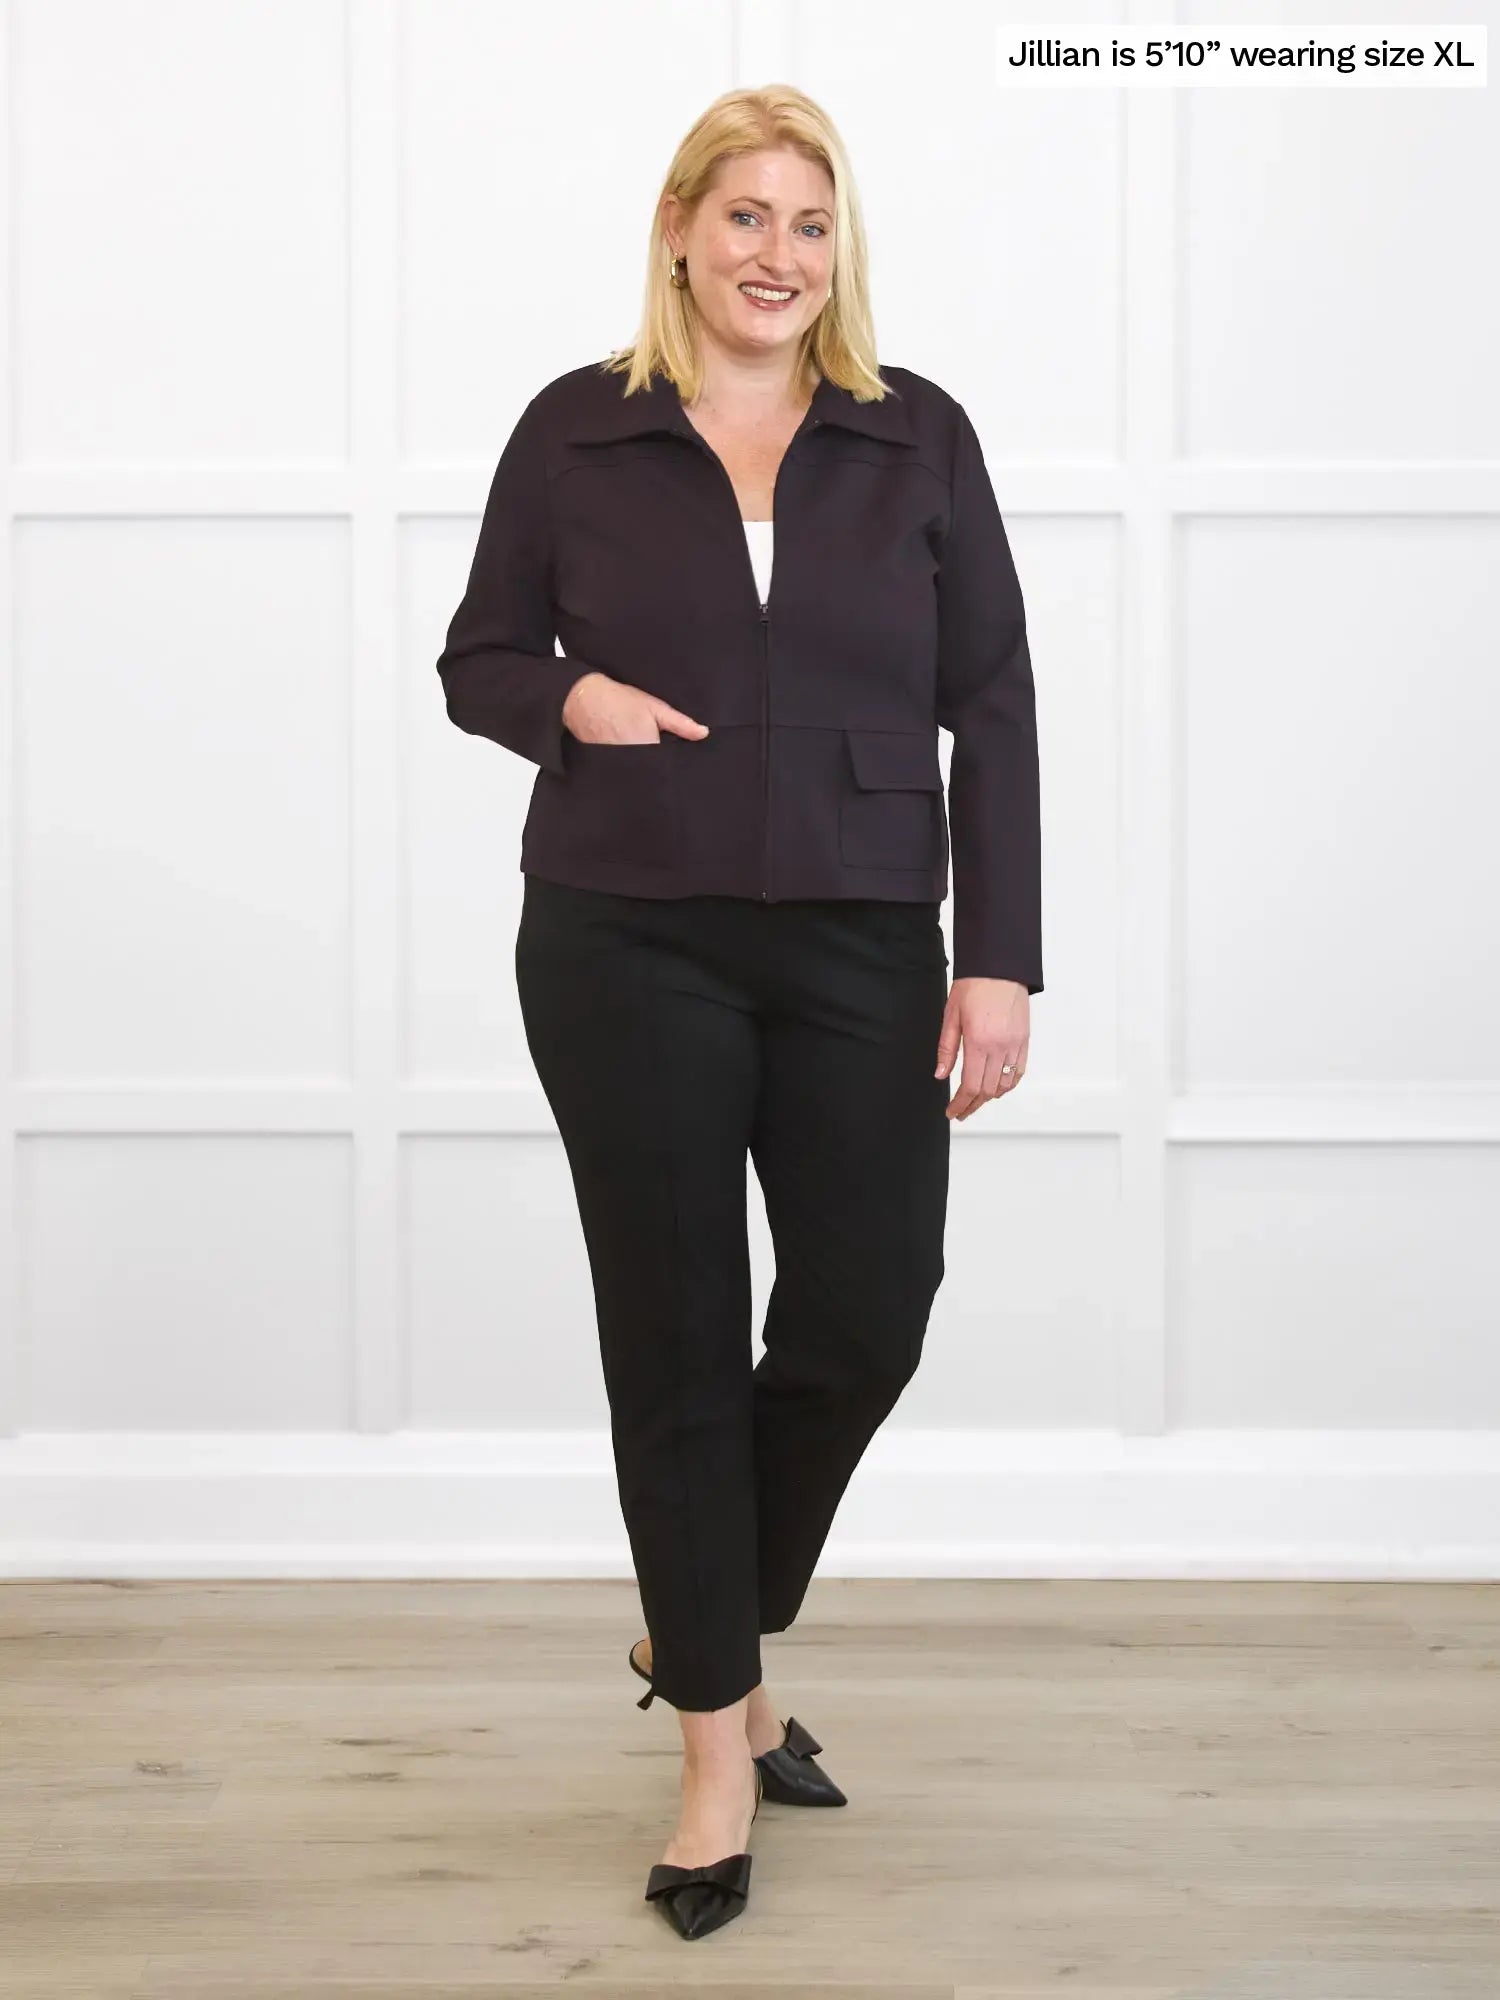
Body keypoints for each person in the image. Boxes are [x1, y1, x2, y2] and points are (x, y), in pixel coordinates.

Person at [435, 83, 1042, 1942]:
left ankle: (701, 1614)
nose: (780, 255)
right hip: (626, 934)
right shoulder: (581, 428)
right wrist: (572, 707)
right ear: (681, 230)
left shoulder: (913, 433)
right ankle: (719, 1755)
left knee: (873, 1306)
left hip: (863, 933)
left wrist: (998, 953)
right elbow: (478, 659)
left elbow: (996, 698)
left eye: (811, 222)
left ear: (834, 248)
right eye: (747, 218)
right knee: (677, 1334)